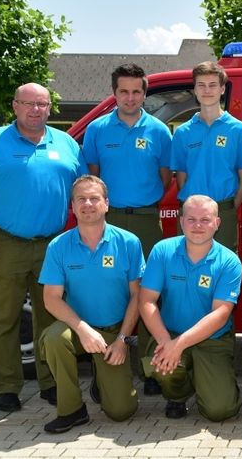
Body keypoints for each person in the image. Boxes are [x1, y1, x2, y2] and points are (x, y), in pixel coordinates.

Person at [0, 83, 86, 412]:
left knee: (51, 317)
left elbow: (85, 191)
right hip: (6, 245)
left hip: (53, 246)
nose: (35, 110)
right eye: (28, 103)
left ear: (49, 108)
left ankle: (50, 383)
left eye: (42, 104)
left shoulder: (67, 144)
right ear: (14, 106)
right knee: (3, 319)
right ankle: (6, 388)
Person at [83, 63, 172, 396]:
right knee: (105, 291)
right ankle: (102, 368)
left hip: (147, 220)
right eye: (124, 91)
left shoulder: (160, 132)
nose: (130, 97)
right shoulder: (96, 130)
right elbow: (92, 177)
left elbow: (165, 177)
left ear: (145, 94)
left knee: (149, 293)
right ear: (114, 93)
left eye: (137, 91)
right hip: (108, 221)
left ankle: (150, 368)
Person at [39, 176, 142, 433]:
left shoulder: (128, 242)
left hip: (114, 332)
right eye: (81, 199)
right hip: (78, 328)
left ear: (107, 204)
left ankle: (103, 377)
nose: (88, 204)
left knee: (121, 412)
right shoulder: (58, 246)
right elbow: (51, 298)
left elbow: (137, 297)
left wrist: (122, 339)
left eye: (94, 198)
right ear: (72, 206)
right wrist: (83, 329)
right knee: (53, 338)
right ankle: (72, 409)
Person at [138, 195, 242, 421]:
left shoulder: (229, 261)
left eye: (205, 220)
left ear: (217, 223)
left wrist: (180, 345)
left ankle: (208, 381)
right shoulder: (162, 251)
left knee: (220, 411)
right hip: (170, 333)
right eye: (191, 219)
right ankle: (178, 395)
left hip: (213, 340)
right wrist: (166, 343)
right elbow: (146, 301)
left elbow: (221, 314)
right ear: (181, 221)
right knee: (162, 367)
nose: (197, 226)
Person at [170, 61, 242, 252]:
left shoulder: (239, 130)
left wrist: (229, 207)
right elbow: (181, 179)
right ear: (194, 90)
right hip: (190, 212)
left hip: (223, 211)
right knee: (185, 267)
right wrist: (194, 206)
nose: (207, 90)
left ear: (222, 89)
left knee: (222, 269)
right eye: (201, 85)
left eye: (212, 85)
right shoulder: (183, 132)